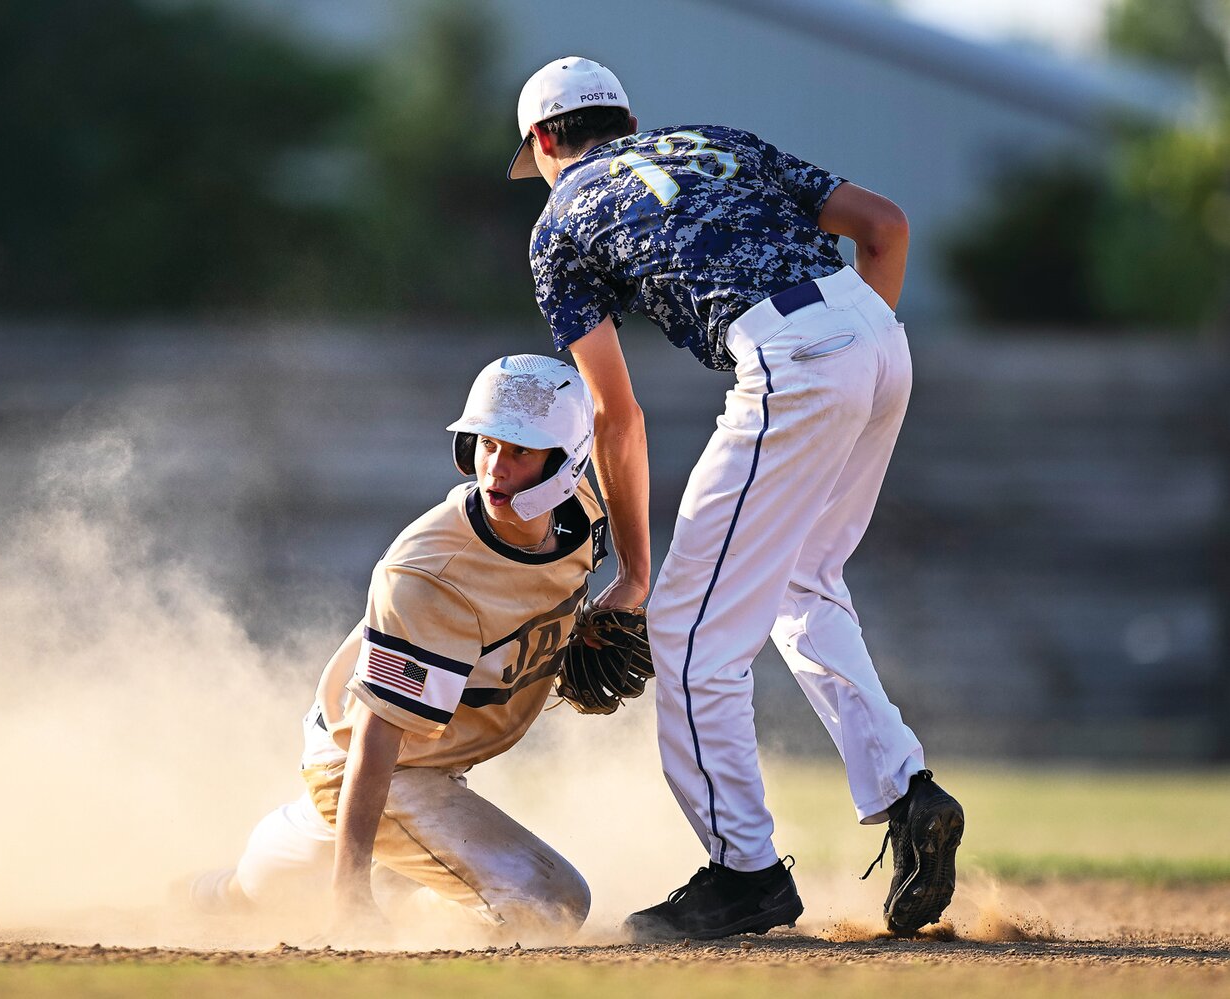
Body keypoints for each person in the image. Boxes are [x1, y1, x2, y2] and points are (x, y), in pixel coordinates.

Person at [508, 56, 964, 940]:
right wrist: (852, 343)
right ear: (624, 119)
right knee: (804, 583)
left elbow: (617, 415)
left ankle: (744, 872)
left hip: (793, 361)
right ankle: (909, 794)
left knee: (686, 632)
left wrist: (636, 573)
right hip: (876, 336)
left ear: (542, 142)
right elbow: (886, 227)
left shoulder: (560, 217)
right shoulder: (715, 140)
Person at [188, 355, 614, 945]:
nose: (496, 468)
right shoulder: (431, 572)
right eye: (487, 445)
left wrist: (617, 601)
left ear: (567, 466)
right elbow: (376, 734)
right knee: (551, 904)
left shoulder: (582, 513)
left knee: (277, 877)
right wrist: (350, 894)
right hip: (372, 764)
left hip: (421, 763)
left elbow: (622, 437)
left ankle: (231, 891)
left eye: (520, 451)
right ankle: (384, 889)